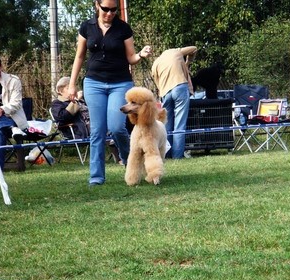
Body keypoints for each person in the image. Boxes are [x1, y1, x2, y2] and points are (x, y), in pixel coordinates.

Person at [68, 0, 152, 186]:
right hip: (93, 83)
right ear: (97, 5)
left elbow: (131, 57)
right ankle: (96, 177)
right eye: (106, 9)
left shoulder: (123, 28)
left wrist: (141, 55)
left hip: (120, 83)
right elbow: (80, 56)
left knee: (116, 127)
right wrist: (72, 84)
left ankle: (129, 161)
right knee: (97, 131)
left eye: (113, 10)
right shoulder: (87, 27)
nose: (109, 13)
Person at [151, 46, 197, 159]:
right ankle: (177, 155)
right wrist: (188, 61)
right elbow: (194, 48)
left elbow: (157, 83)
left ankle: (166, 154)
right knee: (180, 124)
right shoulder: (176, 52)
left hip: (165, 92)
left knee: (167, 124)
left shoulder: (155, 63)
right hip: (180, 86)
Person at [0, 56, 29, 170]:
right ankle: (10, 129)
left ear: (0, 68)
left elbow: (17, 103)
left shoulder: (13, 80)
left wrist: (1, 110)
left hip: (11, 116)